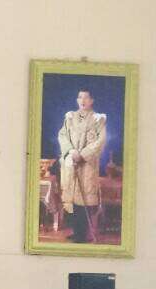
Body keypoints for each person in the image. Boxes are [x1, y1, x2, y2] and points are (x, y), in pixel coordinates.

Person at [57, 89, 108, 243]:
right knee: (72, 199)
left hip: (87, 165)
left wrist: (83, 154)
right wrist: (71, 151)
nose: (82, 100)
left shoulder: (98, 119)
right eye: (80, 97)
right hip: (72, 162)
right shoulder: (70, 117)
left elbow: (100, 141)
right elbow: (62, 135)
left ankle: (83, 235)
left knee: (84, 198)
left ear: (92, 100)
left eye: (86, 97)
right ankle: (76, 231)